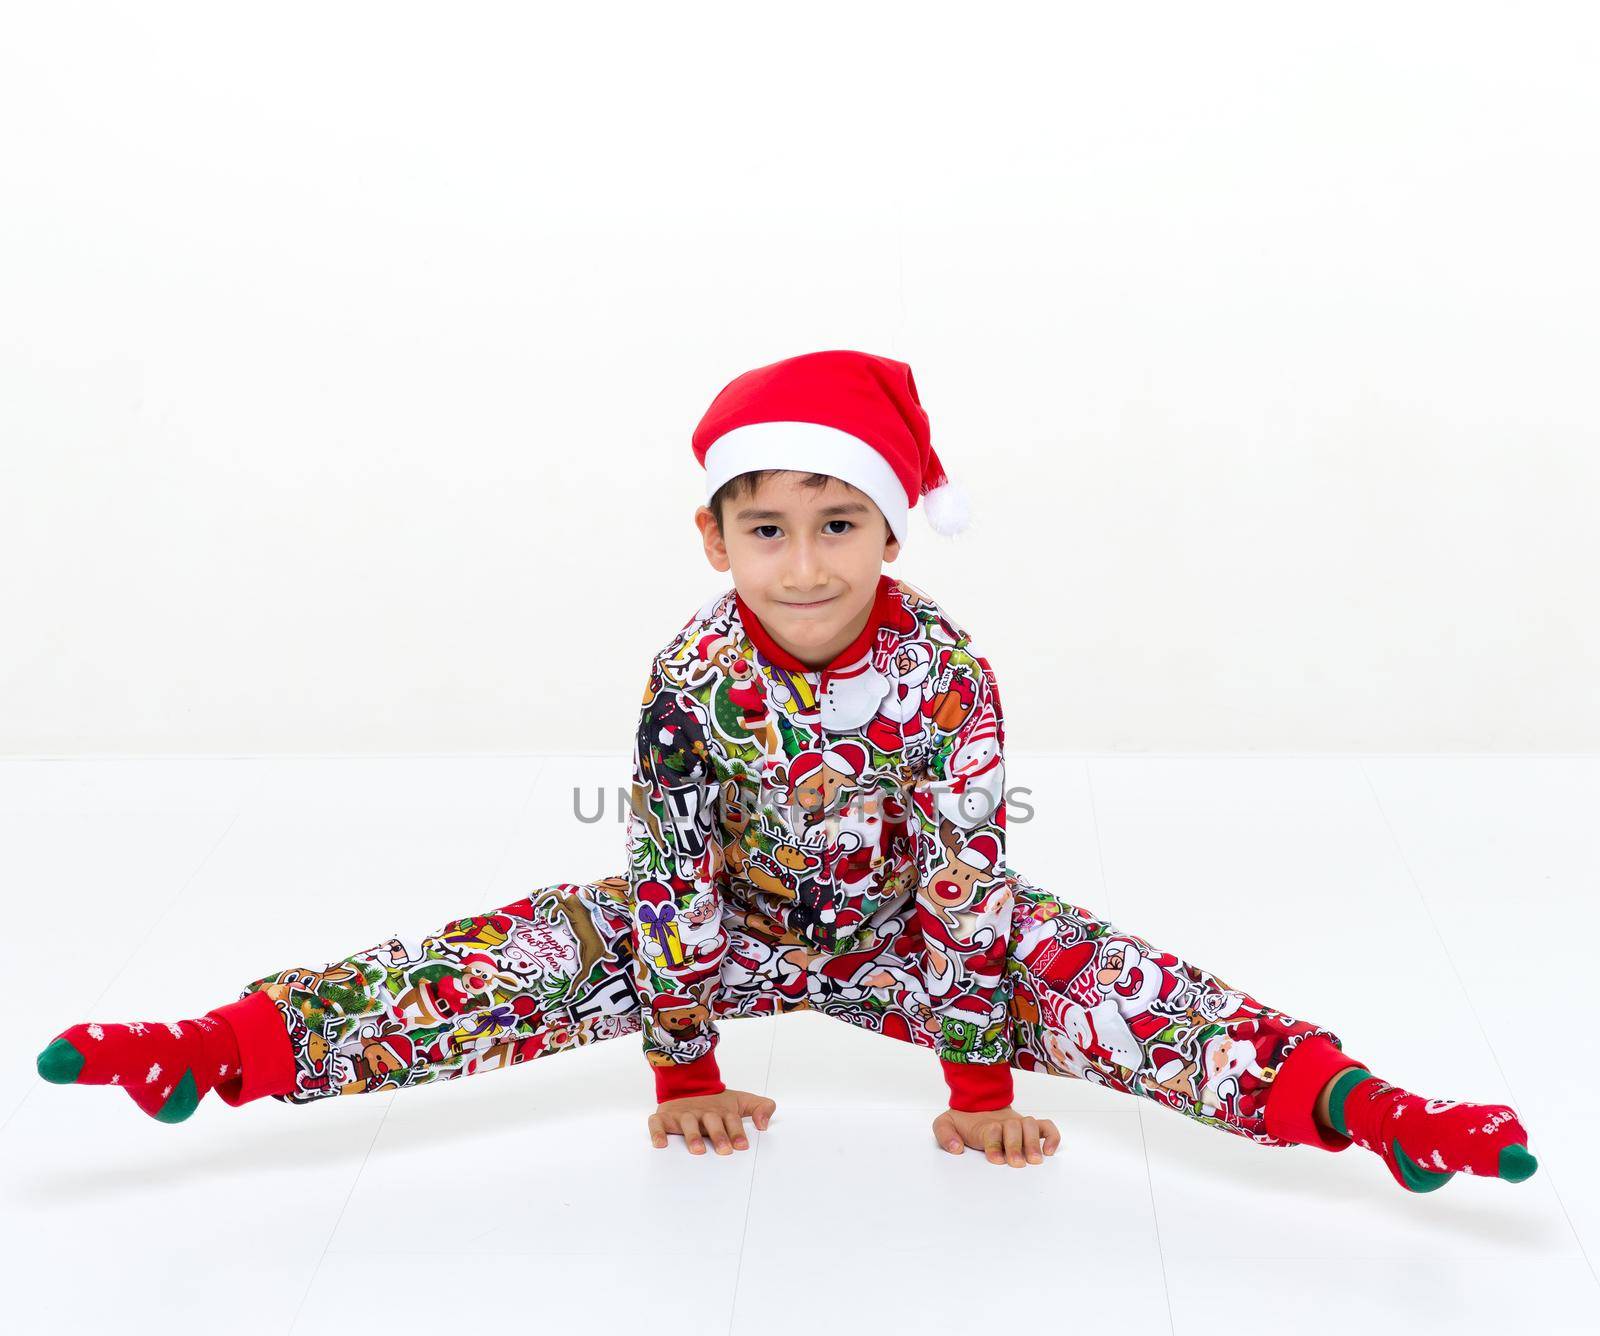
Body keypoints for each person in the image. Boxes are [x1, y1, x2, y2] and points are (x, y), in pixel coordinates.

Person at [36, 349, 1539, 1191]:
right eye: (768, 527)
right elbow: (673, 864)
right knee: (538, 945)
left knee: (1099, 971)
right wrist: (686, 1064)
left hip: (907, 936)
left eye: (840, 521)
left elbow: (966, 871)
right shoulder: (696, 670)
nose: (805, 559)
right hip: (730, 929)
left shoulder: (945, 673)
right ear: (713, 539)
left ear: (889, 533)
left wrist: (976, 1077)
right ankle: (229, 1051)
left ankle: (1364, 1111)